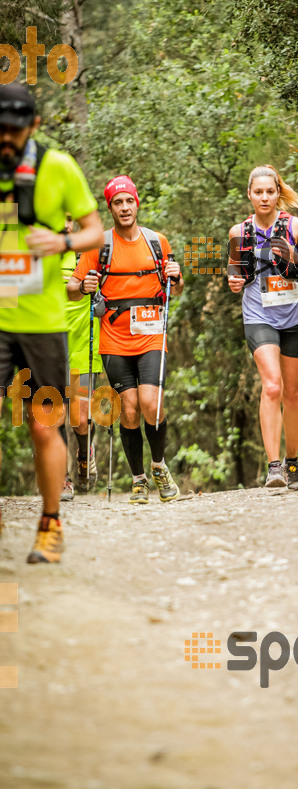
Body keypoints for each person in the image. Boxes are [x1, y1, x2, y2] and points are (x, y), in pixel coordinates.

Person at [0, 82, 104, 562]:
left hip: (43, 321)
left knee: (46, 426)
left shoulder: (58, 167)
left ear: (34, 127)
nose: (7, 137)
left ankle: (50, 523)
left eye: (15, 130)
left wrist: (60, 245)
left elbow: (93, 229)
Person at [67, 175, 183, 504]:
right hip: (114, 339)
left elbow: (175, 287)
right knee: (129, 410)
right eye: (118, 203)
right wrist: (84, 287)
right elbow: (73, 289)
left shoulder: (157, 242)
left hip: (151, 336)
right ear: (111, 208)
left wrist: (177, 276)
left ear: (137, 203)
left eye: (129, 201)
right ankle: (138, 479)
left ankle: (159, 465)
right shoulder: (98, 247)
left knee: (151, 403)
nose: (125, 207)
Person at [227, 164, 298, 490]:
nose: (265, 197)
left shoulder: (295, 225)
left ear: (278, 193)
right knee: (272, 386)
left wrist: (295, 257)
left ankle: (293, 463)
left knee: (293, 393)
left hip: (296, 317)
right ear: (249, 194)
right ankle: (274, 467)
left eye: (270, 191)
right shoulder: (238, 233)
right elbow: (234, 272)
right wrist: (234, 281)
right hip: (259, 316)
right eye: (259, 192)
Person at [60, 215, 103, 500]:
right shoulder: (41, 254)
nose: (64, 225)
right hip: (50, 339)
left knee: (81, 416)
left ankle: (84, 455)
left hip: (85, 342)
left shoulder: (86, 254)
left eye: (68, 219)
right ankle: (62, 478)